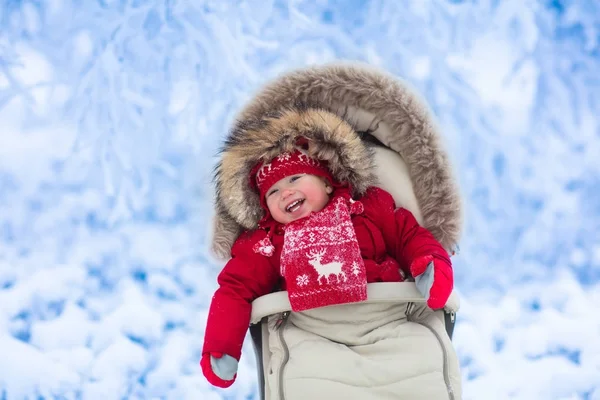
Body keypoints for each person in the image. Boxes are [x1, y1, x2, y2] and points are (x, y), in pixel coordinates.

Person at [201, 127, 455, 392]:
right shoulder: (268, 241)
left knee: (421, 367)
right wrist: (222, 346)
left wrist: (430, 264)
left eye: (295, 178)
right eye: (272, 192)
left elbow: (409, 235)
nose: (285, 192)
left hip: (388, 318)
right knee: (308, 379)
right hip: (312, 331)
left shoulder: (368, 208)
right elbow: (235, 288)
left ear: (327, 182)